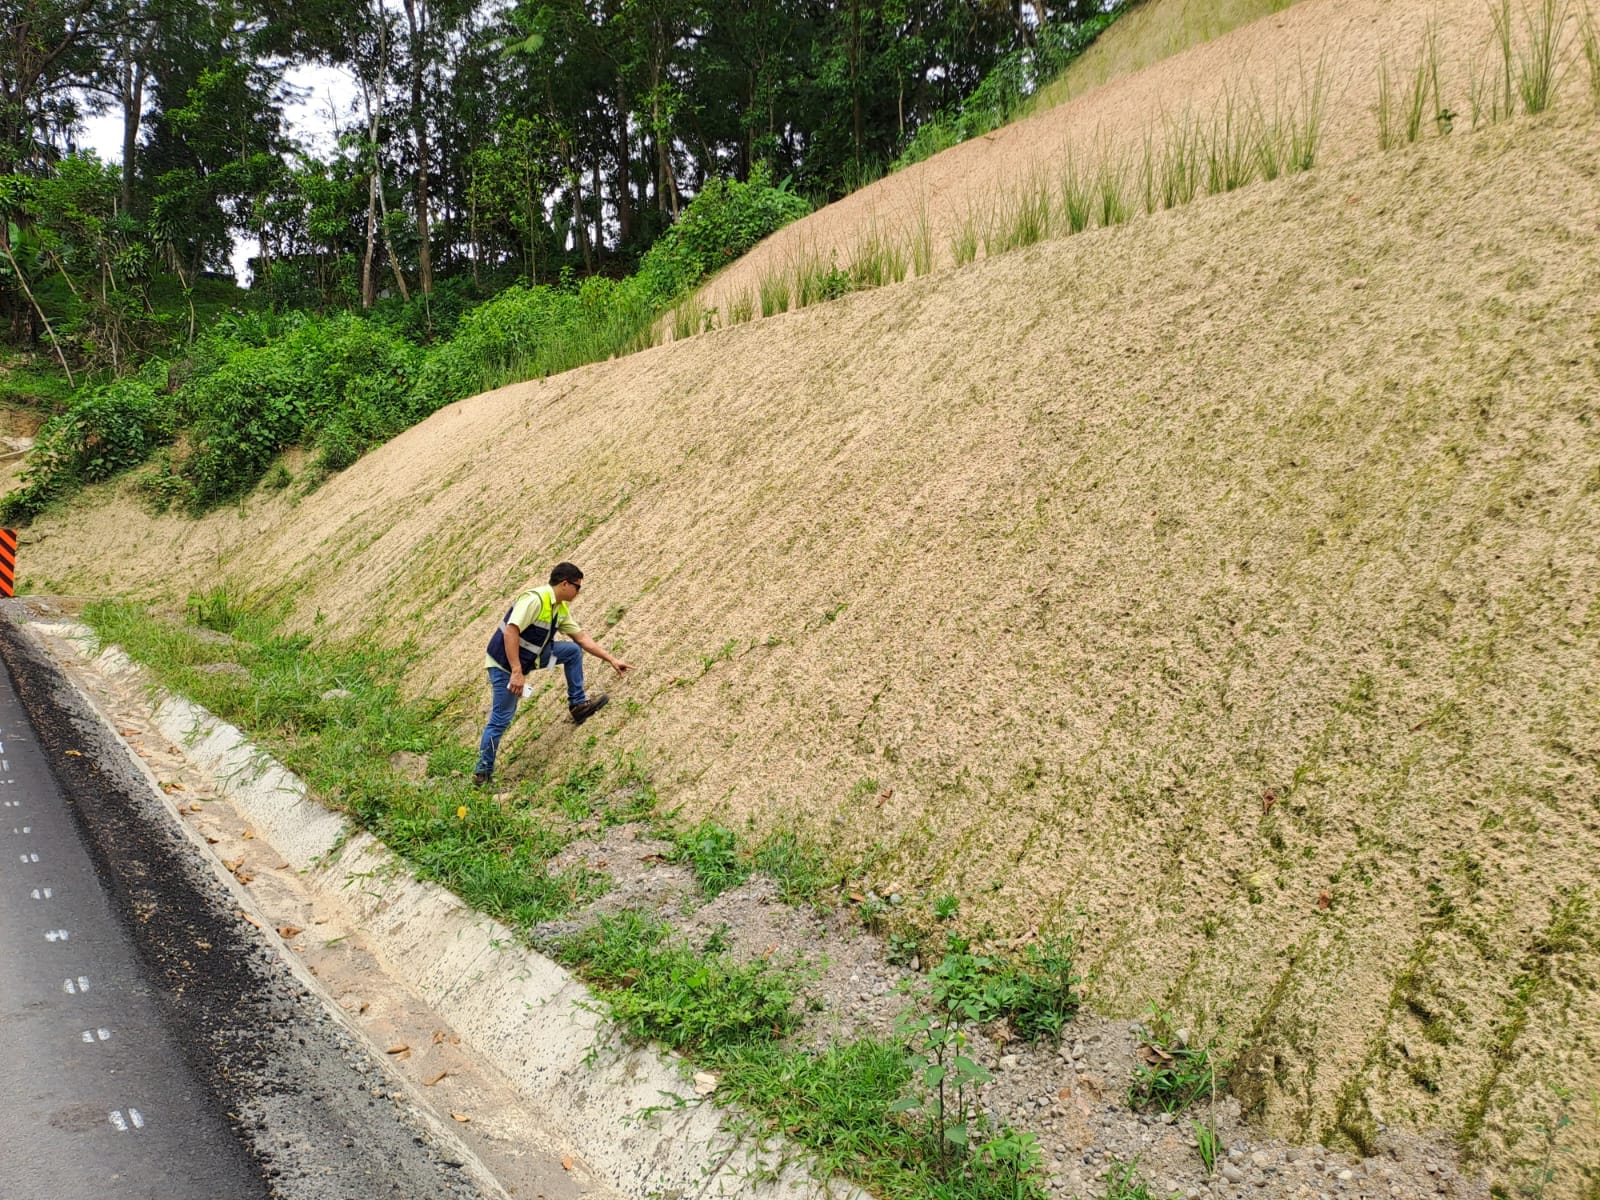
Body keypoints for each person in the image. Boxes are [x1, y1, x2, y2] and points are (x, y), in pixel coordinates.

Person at [473, 562, 630, 786]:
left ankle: (578, 705)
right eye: (577, 587)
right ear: (565, 583)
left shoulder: (559, 608)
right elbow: (511, 631)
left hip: (531, 658)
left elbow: (582, 638)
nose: (578, 592)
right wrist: (516, 672)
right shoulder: (535, 599)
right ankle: (482, 774)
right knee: (501, 719)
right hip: (503, 665)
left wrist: (612, 659)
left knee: (572, 651)